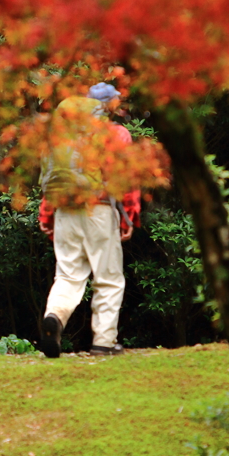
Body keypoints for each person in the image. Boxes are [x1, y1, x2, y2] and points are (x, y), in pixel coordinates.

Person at [38, 83, 141, 358]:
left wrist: (47, 215)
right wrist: (128, 217)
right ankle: (103, 343)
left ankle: (55, 318)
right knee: (108, 278)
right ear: (108, 105)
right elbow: (124, 178)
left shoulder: (62, 137)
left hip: (64, 211)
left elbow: (53, 178)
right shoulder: (115, 134)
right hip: (99, 210)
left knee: (68, 275)